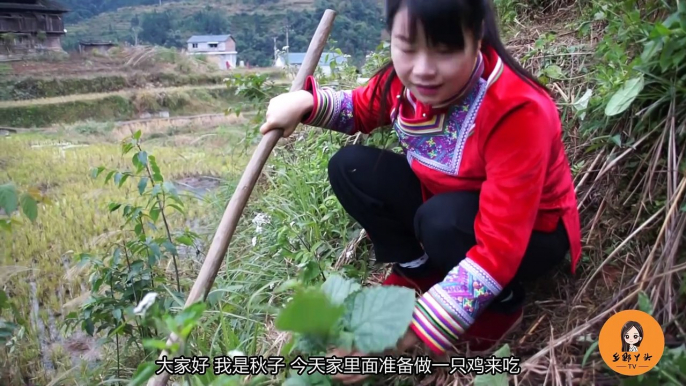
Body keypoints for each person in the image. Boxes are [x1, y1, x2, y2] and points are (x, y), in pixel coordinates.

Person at [260, 0, 582, 378]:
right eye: (407, 47)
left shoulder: (519, 110)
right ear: (392, 38)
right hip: (446, 207)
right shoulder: (401, 82)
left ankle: (503, 305)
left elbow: (500, 248)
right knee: (351, 168)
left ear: (476, 37)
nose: (424, 70)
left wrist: (401, 336)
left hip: (529, 235)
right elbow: (361, 108)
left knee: (441, 222)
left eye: (445, 50)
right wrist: (306, 103)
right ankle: (421, 270)